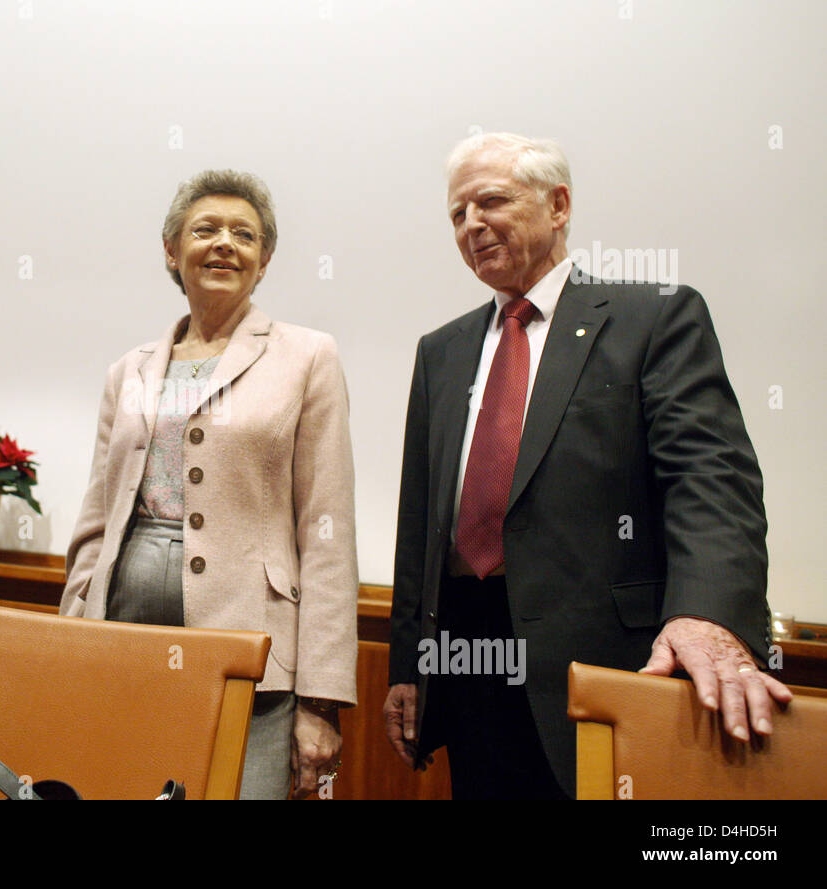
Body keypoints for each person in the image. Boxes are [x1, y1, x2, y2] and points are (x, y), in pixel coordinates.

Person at [383, 132, 791, 799]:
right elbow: (419, 521)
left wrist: (709, 612)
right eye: (457, 214)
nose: (472, 224)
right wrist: (407, 665)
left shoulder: (653, 317)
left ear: (559, 204)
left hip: (607, 661)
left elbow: (711, 479)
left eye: (491, 201)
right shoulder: (443, 350)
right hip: (468, 661)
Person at [61, 170, 358, 799]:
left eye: (243, 234)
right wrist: (71, 633)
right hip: (121, 640)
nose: (225, 243)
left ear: (264, 260)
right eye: (206, 230)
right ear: (172, 250)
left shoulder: (308, 356)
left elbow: (327, 531)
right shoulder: (129, 370)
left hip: (255, 652)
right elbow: (97, 518)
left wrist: (322, 698)